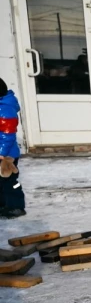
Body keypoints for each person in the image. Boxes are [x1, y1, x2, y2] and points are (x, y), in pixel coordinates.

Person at [0, 77, 25, 219]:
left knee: (11, 182)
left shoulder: (5, 109)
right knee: (1, 182)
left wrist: (2, 152)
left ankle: (16, 206)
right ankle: (4, 205)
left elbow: (7, 135)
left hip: (6, 156)